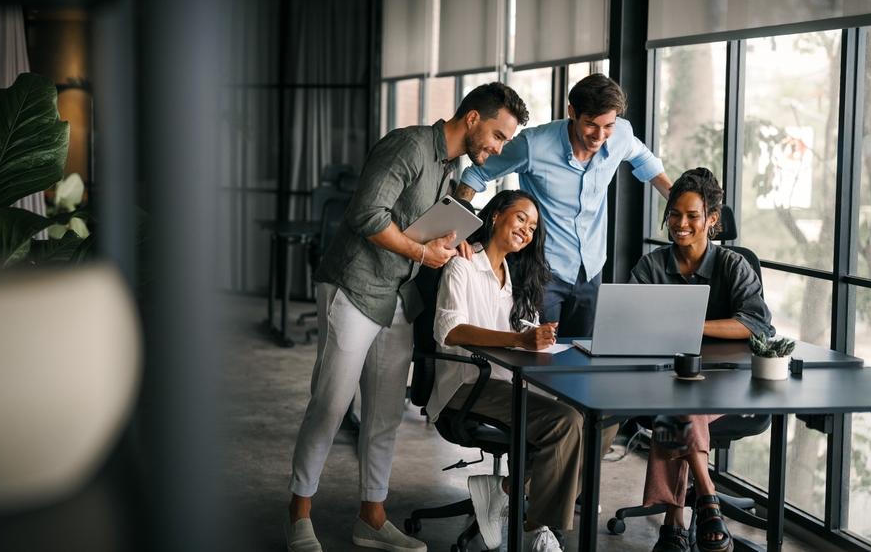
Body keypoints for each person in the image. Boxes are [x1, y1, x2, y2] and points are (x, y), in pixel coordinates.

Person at [285, 83, 529, 552]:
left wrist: (450, 240)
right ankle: (298, 514)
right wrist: (422, 250)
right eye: (498, 136)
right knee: (331, 405)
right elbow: (366, 214)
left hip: (398, 295)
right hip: (353, 287)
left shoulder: (451, 166)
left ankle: (371, 519)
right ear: (473, 119)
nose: (500, 149)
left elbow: (425, 221)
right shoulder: (409, 145)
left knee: (384, 414)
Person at [426, 189, 616, 552]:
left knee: (600, 415)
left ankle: (507, 490)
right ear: (496, 215)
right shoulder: (462, 264)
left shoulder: (512, 276)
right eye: (521, 219)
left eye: (533, 228)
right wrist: (519, 339)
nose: (527, 231)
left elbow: (521, 336)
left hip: (508, 380)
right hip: (468, 383)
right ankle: (536, 527)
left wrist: (538, 338)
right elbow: (449, 330)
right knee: (565, 423)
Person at [454, 73, 671, 338]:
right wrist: (457, 230)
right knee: (539, 357)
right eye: (591, 124)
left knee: (581, 356)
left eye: (608, 126)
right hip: (542, 270)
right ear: (572, 112)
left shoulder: (620, 135)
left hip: (591, 269)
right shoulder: (533, 146)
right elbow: (476, 174)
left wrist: (677, 201)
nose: (600, 135)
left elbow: (645, 161)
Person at [629, 167, 775, 552]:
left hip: (727, 387)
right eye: (675, 214)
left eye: (692, 216)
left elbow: (757, 324)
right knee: (678, 403)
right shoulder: (652, 266)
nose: (680, 224)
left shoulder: (732, 265)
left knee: (677, 409)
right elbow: (628, 318)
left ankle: (674, 523)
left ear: (712, 220)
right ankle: (706, 496)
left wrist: (692, 323)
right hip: (662, 384)